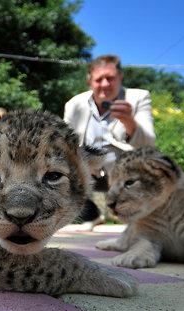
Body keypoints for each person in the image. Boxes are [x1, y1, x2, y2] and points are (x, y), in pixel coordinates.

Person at [64, 54, 156, 226]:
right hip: (87, 169)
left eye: (111, 78)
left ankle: (145, 224)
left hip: (126, 170)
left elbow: (148, 143)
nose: (105, 84)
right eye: (99, 79)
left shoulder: (138, 98)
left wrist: (129, 121)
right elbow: (66, 143)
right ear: (89, 81)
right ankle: (90, 215)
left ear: (120, 77)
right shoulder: (74, 104)